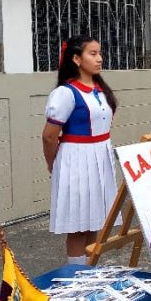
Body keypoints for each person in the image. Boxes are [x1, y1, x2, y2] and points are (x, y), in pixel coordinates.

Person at [42, 35, 120, 265]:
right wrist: (52, 163)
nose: (99, 59)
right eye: (92, 54)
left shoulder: (100, 90)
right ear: (76, 59)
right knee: (78, 225)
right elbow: (49, 136)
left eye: (100, 53)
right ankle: (75, 274)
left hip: (99, 159)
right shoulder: (66, 93)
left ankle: (90, 270)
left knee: (95, 220)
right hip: (76, 160)